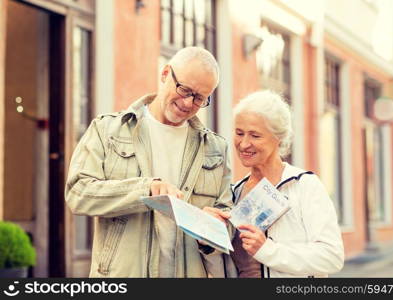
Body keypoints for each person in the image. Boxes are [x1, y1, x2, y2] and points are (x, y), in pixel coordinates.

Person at [65, 47, 233, 278]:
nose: (187, 103)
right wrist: (145, 190)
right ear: (165, 74)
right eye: (184, 89)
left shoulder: (216, 149)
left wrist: (213, 231)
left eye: (199, 98)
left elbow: (227, 220)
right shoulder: (108, 129)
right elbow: (77, 193)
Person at [227, 90, 344, 278]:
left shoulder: (304, 186)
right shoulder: (233, 193)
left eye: (255, 136)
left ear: (278, 138)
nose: (243, 144)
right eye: (239, 133)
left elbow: (332, 256)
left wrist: (267, 250)